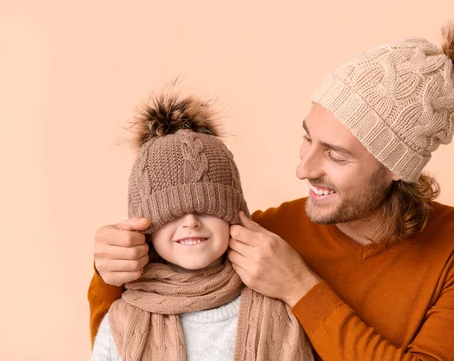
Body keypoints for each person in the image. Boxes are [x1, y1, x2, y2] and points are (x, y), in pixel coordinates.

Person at [90, 23, 454, 360]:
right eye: (307, 138)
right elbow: (144, 329)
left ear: (395, 169)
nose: (303, 168)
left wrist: (300, 288)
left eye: (335, 155)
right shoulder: (269, 235)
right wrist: (109, 272)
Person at [90, 95, 313, 360]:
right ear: (144, 231)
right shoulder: (122, 321)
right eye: (171, 213)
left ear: (235, 216)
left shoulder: (277, 306)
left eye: (208, 208)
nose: (191, 222)